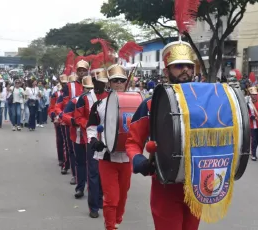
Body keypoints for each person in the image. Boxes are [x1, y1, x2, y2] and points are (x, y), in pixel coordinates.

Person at [125, 40, 200, 230]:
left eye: (189, 66)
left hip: (196, 184)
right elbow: (132, 142)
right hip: (165, 184)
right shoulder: (151, 105)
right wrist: (139, 160)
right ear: (166, 71)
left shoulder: (205, 100)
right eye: (178, 66)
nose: (185, 70)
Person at [87, 64, 131, 230]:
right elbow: (91, 127)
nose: (118, 83)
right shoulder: (99, 105)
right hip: (106, 156)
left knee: (123, 196)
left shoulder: (135, 103)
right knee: (111, 198)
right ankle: (110, 226)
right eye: (115, 81)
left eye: (121, 80)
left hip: (127, 157)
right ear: (109, 83)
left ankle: (117, 221)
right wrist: (93, 141)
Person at [75, 66, 108, 216]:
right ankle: (93, 206)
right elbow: (78, 117)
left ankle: (101, 199)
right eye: (97, 81)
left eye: (103, 82)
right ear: (93, 81)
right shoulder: (84, 98)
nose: (100, 84)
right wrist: (88, 124)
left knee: (104, 172)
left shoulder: (111, 96)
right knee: (93, 172)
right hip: (91, 138)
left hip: (108, 140)